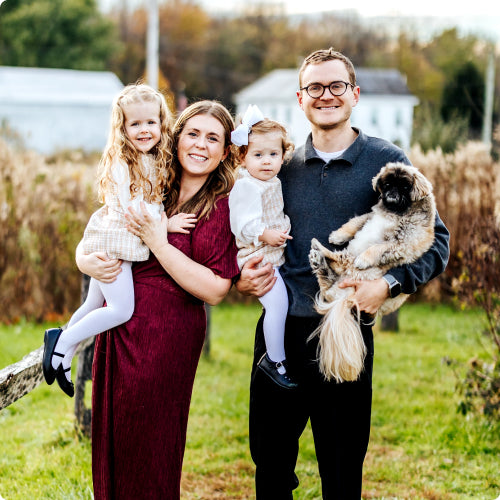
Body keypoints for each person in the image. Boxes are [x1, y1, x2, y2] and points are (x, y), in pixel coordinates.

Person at [236, 48, 450, 499]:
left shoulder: (386, 158)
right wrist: (242, 279)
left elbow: (437, 240)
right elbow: (241, 233)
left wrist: (387, 284)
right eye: (315, 87)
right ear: (300, 99)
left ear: (354, 94)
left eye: (336, 86)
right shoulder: (281, 166)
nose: (326, 95)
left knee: (341, 472)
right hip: (282, 334)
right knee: (271, 468)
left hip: (346, 330)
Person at [75, 100, 239, 499]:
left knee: (150, 443)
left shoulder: (221, 205)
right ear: (176, 136)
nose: (200, 145)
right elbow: (104, 225)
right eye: (193, 133)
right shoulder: (155, 182)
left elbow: (216, 289)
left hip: (165, 338)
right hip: (119, 327)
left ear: (225, 150)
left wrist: (157, 242)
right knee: (113, 437)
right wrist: (83, 258)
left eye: (213, 138)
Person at [41, 83, 196, 397]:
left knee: (93, 303)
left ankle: (63, 354)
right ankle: (62, 344)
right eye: (135, 124)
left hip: (121, 242)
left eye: (150, 123)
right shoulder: (121, 162)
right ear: (122, 127)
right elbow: (134, 213)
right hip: (116, 242)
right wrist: (169, 223)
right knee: (121, 310)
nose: (143, 130)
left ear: (161, 123)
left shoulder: (154, 158)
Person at [229, 105, 296, 389]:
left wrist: (282, 227)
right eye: (258, 155)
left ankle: (278, 358)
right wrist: (266, 234)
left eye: (273, 154)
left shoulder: (272, 181)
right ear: (243, 158)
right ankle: (275, 361)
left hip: (270, 254)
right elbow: (241, 224)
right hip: (255, 257)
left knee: (281, 303)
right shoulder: (247, 186)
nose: (266, 161)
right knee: (277, 305)